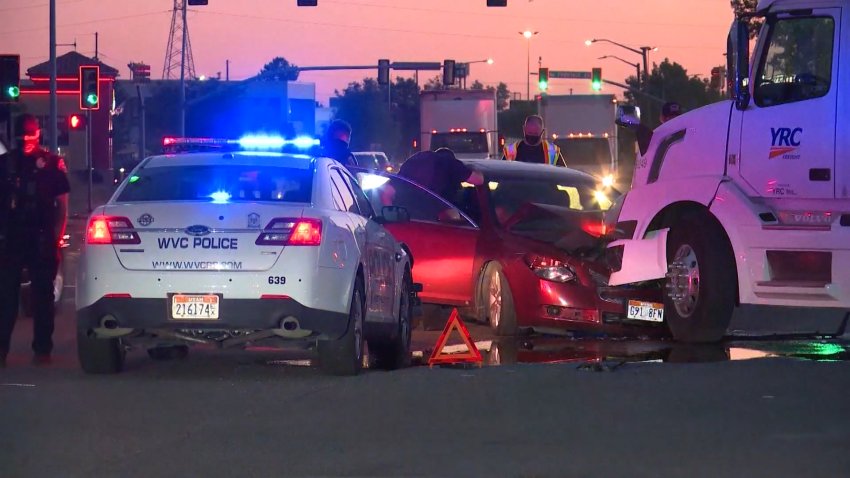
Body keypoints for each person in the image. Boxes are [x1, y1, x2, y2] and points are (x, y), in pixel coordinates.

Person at [0, 114, 70, 367]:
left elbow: (62, 205)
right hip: (11, 237)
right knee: (6, 297)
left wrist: (57, 238)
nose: (27, 142)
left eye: (30, 136)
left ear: (38, 134)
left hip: (40, 236)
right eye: (24, 137)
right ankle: (3, 350)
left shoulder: (52, 164)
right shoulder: (6, 163)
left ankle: (42, 349)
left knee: (42, 297)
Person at [398, 148, 484, 202]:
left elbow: (396, 184)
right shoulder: (450, 163)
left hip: (407, 209)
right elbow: (479, 180)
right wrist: (475, 168)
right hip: (434, 211)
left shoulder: (416, 159)